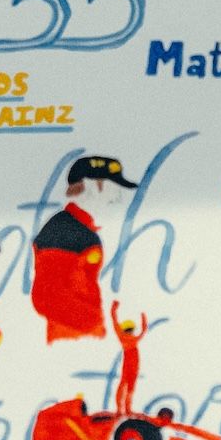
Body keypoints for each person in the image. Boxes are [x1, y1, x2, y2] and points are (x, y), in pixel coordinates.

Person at [31, 153, 143, 416]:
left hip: (83, 346)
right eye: (113, 189)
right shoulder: (64, 232)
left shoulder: (78, 229)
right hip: (72, 346)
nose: (117, 198)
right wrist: (95, 329)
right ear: (94, 186)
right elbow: (46, 296)